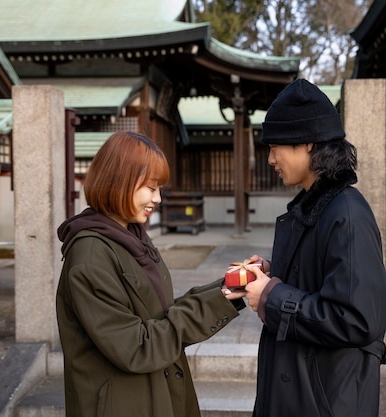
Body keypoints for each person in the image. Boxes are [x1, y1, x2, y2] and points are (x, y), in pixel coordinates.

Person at [55, 131, 246, 417]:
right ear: (117, 182)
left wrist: (228, 290)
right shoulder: (91, 256)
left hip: (155, 393)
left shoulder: (131, 237)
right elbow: (137, 346)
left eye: (158, 188)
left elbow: (160, 314)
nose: (157, 198)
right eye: (150, 187)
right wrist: (215, 304)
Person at [244, 79, 386, 417]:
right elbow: (322, 282)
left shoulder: (345, 212)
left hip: (328, 398)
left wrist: (272, 296)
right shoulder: (316, 205)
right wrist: (274, 273)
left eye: (276, 147)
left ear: (308, 143)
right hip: (307, 390)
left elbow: (357, 318)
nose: (270, 159)